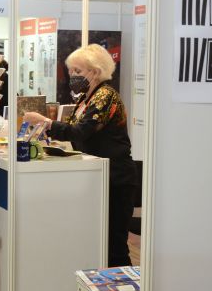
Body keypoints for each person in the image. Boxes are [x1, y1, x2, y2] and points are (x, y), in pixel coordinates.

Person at [24, 43, 137, 268]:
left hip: (115, 178)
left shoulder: (105, 96)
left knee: (114, 244)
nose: (72, 76)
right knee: (99, 241)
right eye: (71, 71)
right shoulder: (86, 97)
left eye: (77, 71)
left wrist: (46, 123)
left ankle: (122, 286)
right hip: (99, 175)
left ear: (95, 71)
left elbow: (81, 131)